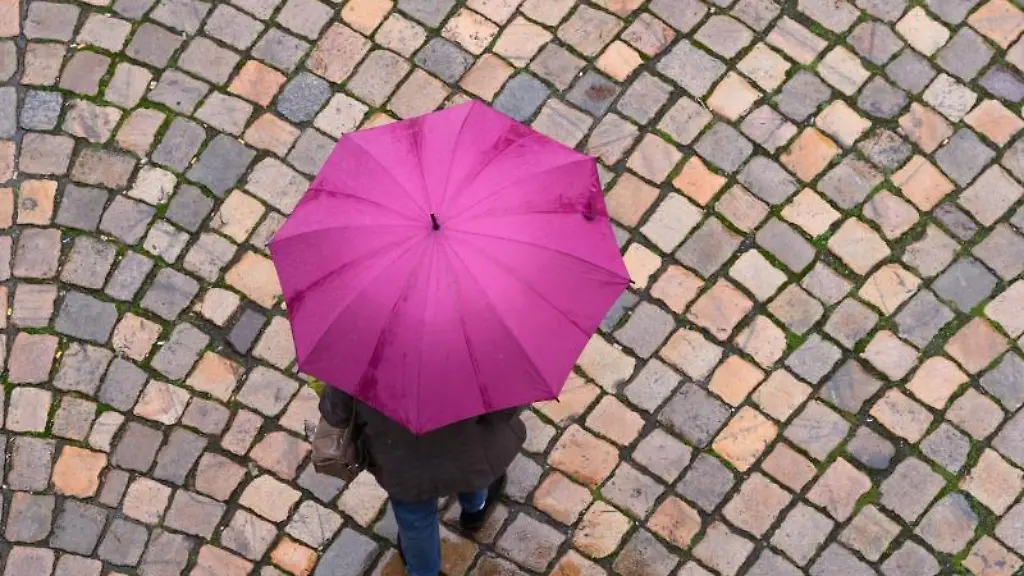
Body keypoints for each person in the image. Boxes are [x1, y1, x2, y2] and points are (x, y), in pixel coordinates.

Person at [316, 385, 526, 576]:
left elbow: (335, 413)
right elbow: (504, 410)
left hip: (402, 466)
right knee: (474, 480)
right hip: (467, 454)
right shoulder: (476, 360)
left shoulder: (361, 362)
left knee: (415, 521)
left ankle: (423, 571)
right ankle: (474, 512)